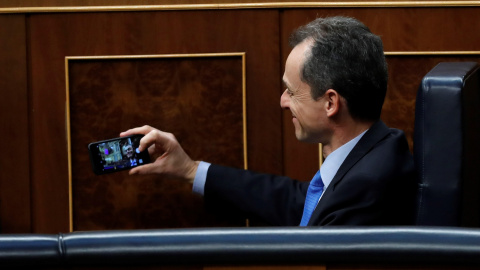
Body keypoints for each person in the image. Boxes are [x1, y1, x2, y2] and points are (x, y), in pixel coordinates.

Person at [120, 16, 416, 226]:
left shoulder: (366, 187)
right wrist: (189, 169)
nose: (283, 102)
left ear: (330, 103)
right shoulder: (376, 150)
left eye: (291, 91)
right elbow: (296, 201)